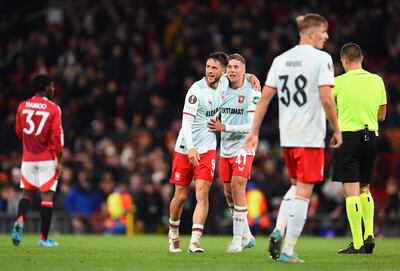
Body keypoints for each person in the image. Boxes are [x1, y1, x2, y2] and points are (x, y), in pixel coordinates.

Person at [244, 13, 342, 263]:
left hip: (288, 136)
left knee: (296, 186)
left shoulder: (280, 59)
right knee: (304, 192)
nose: (327, 36)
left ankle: (279, 228)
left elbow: (264, 99)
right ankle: (288, 249)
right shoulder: (322, 59)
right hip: (309, 136)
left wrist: (254, 132)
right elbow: (327, 99)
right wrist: (337, 129)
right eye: (324, 31)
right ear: (311, 33)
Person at [168, 52, 260, 253]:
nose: (210, 71)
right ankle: (173, 233)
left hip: (208, 148)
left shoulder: (226, 84)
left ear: (223, 71)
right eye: (208, 67)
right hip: (186, 147)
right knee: (181, 196)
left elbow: (240, 74)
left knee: (202, 193)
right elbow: (186, 123)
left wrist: (253, 77)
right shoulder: (196, 91)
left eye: (214, 68)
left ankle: (194, 241)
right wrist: (191, 147)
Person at [332, 43, 387, 254]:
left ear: (344, 60)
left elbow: (329, 108)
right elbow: (382, 115)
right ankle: (370, 234)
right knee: (365, 188)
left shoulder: (338, 82)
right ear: (361, 58)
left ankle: (357, 243)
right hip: (371, 137)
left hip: (348, 137)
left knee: (351, 191)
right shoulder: (377, 80)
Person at [207, 53, 260, 252]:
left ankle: (237, 240)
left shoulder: (253, 91)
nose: (232, 70)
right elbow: (210, 78)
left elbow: (252, 125)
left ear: (244, 70)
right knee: (228, 192)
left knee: (238, 185)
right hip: (226, 148)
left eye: (237, 67)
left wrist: (225, 128)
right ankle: (246, 234)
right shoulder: (222, 88)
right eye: (229, 67)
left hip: (245, 145)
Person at [12, 74, 64, 247]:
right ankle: (43, 239)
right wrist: (60, 161)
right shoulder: (53, 108)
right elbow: (58, 136)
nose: (54, 89)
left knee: (27, 194)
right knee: (47, 197)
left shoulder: (22, 106)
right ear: (47, 87)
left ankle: (20, 219)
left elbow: (19, 130)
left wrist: (29, 145)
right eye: (52, 86)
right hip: (47, 158)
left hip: (27, 158)